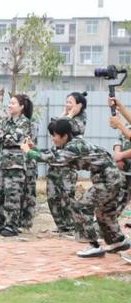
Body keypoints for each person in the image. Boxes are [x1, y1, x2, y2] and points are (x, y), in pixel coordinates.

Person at [23, 119, 130, 258]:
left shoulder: (74, 146)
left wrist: (28, 152)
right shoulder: (72, 142)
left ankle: (94, 245)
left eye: (54, 135)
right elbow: (53, 153)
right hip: (111, 178)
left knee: (81, 207)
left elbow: (55, 159)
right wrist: (34, 148)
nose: (52, 139)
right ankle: (119, 241)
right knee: (105, 213)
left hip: (107, 181)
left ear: (64, 136)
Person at [0, 94, 32, 238]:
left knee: (13, 195)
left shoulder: (25, 122)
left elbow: (16, 138)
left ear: (21, 107)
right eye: (9, 103)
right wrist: (6, 137)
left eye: (13, 103)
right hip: (2, 162)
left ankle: (11, 225)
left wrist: (6, 137)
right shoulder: (5, 121)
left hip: (16, 164)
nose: (10, 106)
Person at [46, 92, 88, 233]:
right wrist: (64, 112)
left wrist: (69, 115)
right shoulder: (66, 116)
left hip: (68, 162)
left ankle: (71, 226)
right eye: (66, 102)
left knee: (66, 196)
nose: (67, 105)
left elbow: (70, 128)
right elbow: (53, 127)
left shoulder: (81, 119)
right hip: (55, 160)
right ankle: (61, 226)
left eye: (70, 102)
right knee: (52, 196)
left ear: (79, 105)